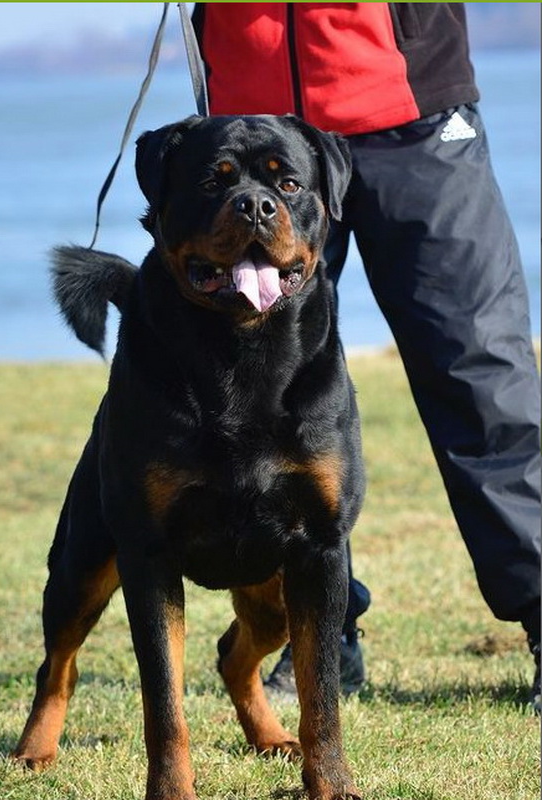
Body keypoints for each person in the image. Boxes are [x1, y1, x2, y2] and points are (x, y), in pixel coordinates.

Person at [191, 2, 541, 710]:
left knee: (481, 377)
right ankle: (321, 632)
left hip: (410, 107)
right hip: (258, 124)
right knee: (259, 397)